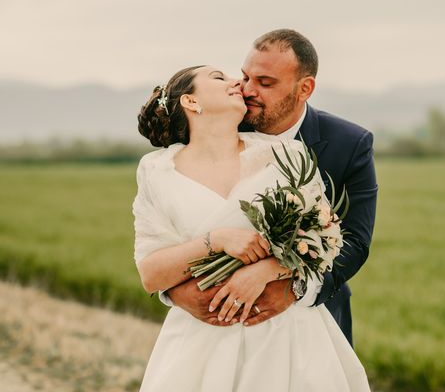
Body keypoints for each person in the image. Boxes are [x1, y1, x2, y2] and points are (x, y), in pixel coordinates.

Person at [133, 65, 371, 391]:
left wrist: (269, 269)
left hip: (286, 335)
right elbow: (151, 274)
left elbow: (321, 239)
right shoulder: (158, 171)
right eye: (218, 78)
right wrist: (214, 241)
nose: (237, 83)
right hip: (202, 342)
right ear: (190, 102)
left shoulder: (287, 156)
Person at [163, 29, 378, 345]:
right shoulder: (219, 124)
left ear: (304, 88)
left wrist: (292, 287)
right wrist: (178, 292)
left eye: (265, 83)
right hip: (215, 328)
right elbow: (170, 226)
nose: (247, 90)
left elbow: (355, 242)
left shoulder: (350, 144)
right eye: (245, 76)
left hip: (312, 328)